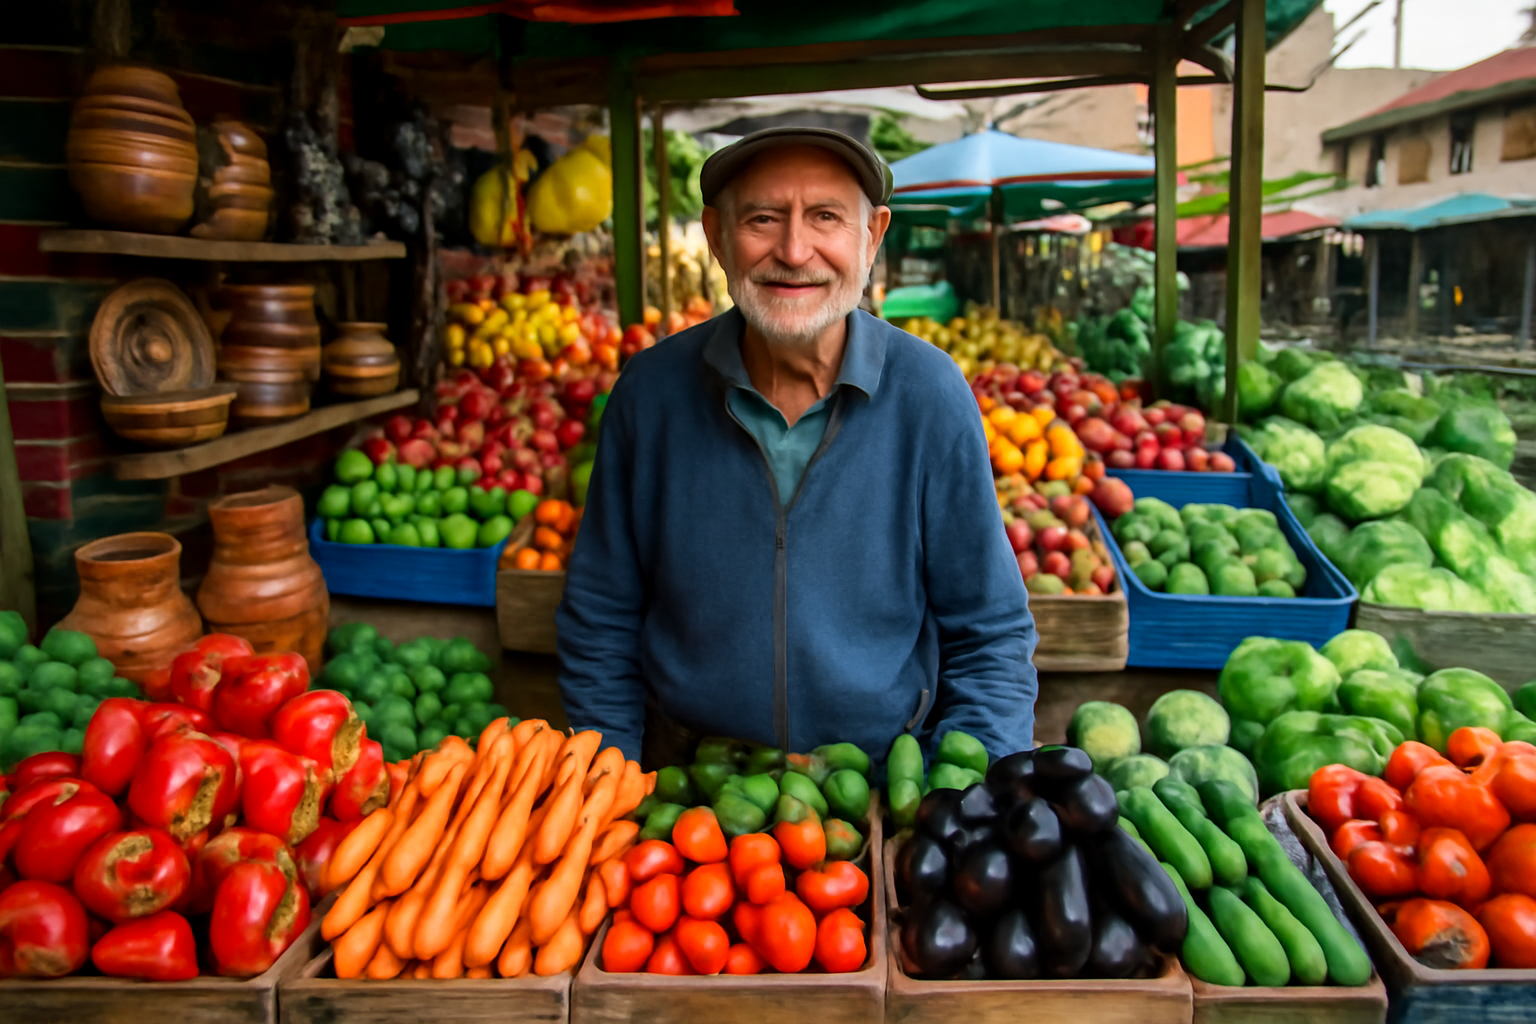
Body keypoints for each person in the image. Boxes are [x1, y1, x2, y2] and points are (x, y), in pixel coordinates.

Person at [556, 126, 1037, 768]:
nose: (794, 249)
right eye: (763, 218)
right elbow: (599, 619)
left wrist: (965, 800)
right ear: (717, 236)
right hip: (686, 799)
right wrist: (609, 777)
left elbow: (992, 633)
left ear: (871, 237)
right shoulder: (651, 395)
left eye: (826, 217)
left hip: (875, 788)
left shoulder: (929, 394)